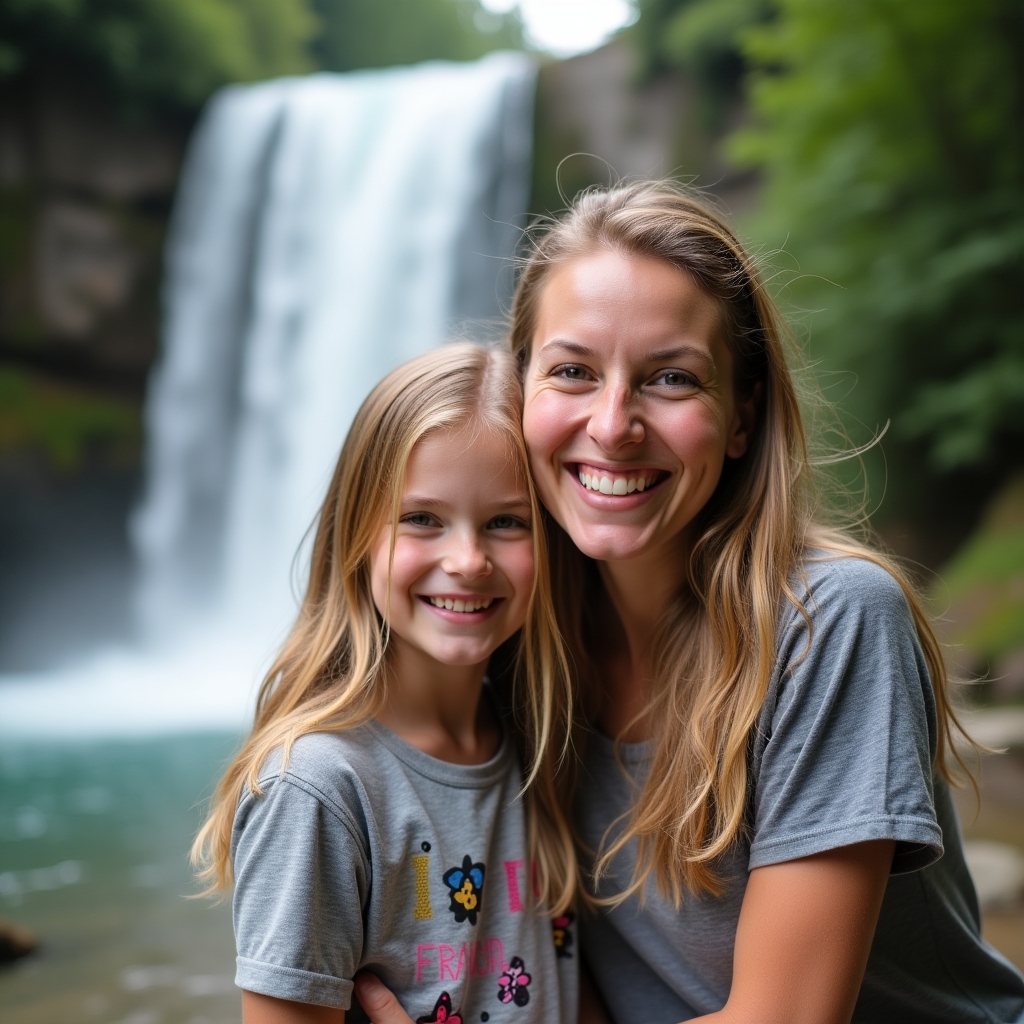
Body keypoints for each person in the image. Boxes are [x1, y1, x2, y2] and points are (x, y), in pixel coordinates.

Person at [356, 183, 1024, 1024]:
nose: (613, 424)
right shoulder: (512, 632)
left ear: (741, 417)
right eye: (572, 371)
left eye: (671, 378)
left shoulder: (831, 623)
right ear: (519, 389)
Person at [192, 344, 581, 1024]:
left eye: (506, 522)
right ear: (357, 536)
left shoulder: (533, 736)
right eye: (422, 518)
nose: (467, 560)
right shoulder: (317, 790)